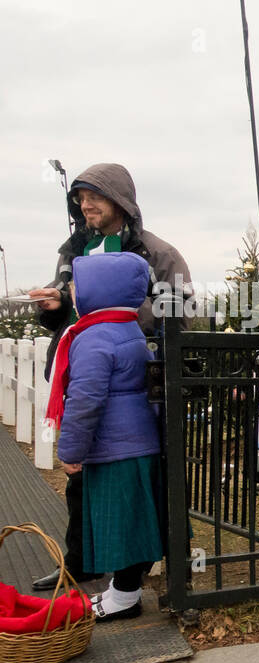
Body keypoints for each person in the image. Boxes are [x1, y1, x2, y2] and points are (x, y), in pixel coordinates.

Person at [27, 163, 190, 591]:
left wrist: (119, 319)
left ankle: (136, 573)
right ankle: (81, 562)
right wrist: (54, 305)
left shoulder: (157, 253)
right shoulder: (72, 250)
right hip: (77, 375)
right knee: (80, 477)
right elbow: (65, 304)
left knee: (130, 480)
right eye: (79, 199)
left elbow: (183, 311)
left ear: (120, 201)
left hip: (132, 384)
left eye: (93, 198)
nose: (85, 206)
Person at [47, 252, 166, 622]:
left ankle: (125, 597)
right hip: (133, 442)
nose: (71, 290)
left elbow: (85, 400)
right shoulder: (125, 327)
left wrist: (70, 450)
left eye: (75, 285)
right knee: (129, 522)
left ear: (100, 290)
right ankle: (122, 591)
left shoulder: (96, 337)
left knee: (120, 525)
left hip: (115, 447)